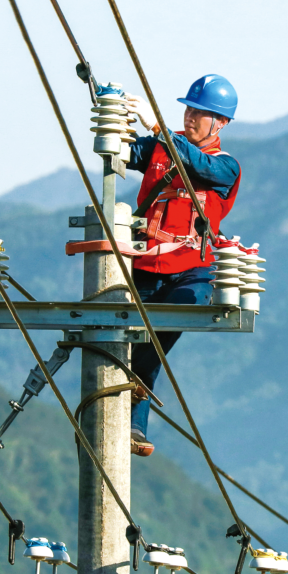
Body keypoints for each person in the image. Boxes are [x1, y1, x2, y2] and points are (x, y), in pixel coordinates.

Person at [124, 75, 241, 455]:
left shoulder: (225, 167)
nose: (190, 118)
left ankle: (133, 425)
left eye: (201, 113)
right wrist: (114, 121)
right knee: (128, 347)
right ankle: (130, 430)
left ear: (220, 124)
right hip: (145, 267)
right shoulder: (160, 147)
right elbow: (122, 153)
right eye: (189, 110)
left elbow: (194, 163)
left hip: (192, 270)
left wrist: (156, 126)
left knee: (171, 321)